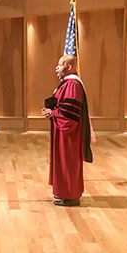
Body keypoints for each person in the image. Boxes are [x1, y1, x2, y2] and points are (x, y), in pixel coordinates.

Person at [41, 54, 96, 206]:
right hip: (62, 131)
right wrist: (51, 111)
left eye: (60, 64)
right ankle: (63, 192)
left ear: (70, 67)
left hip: (69, 134)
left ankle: (71, 196)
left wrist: (54, 113)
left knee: (69, 163)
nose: (56, 67)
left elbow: (70, 111)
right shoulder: (66, 84)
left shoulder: (72, 85)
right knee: (63, 163)